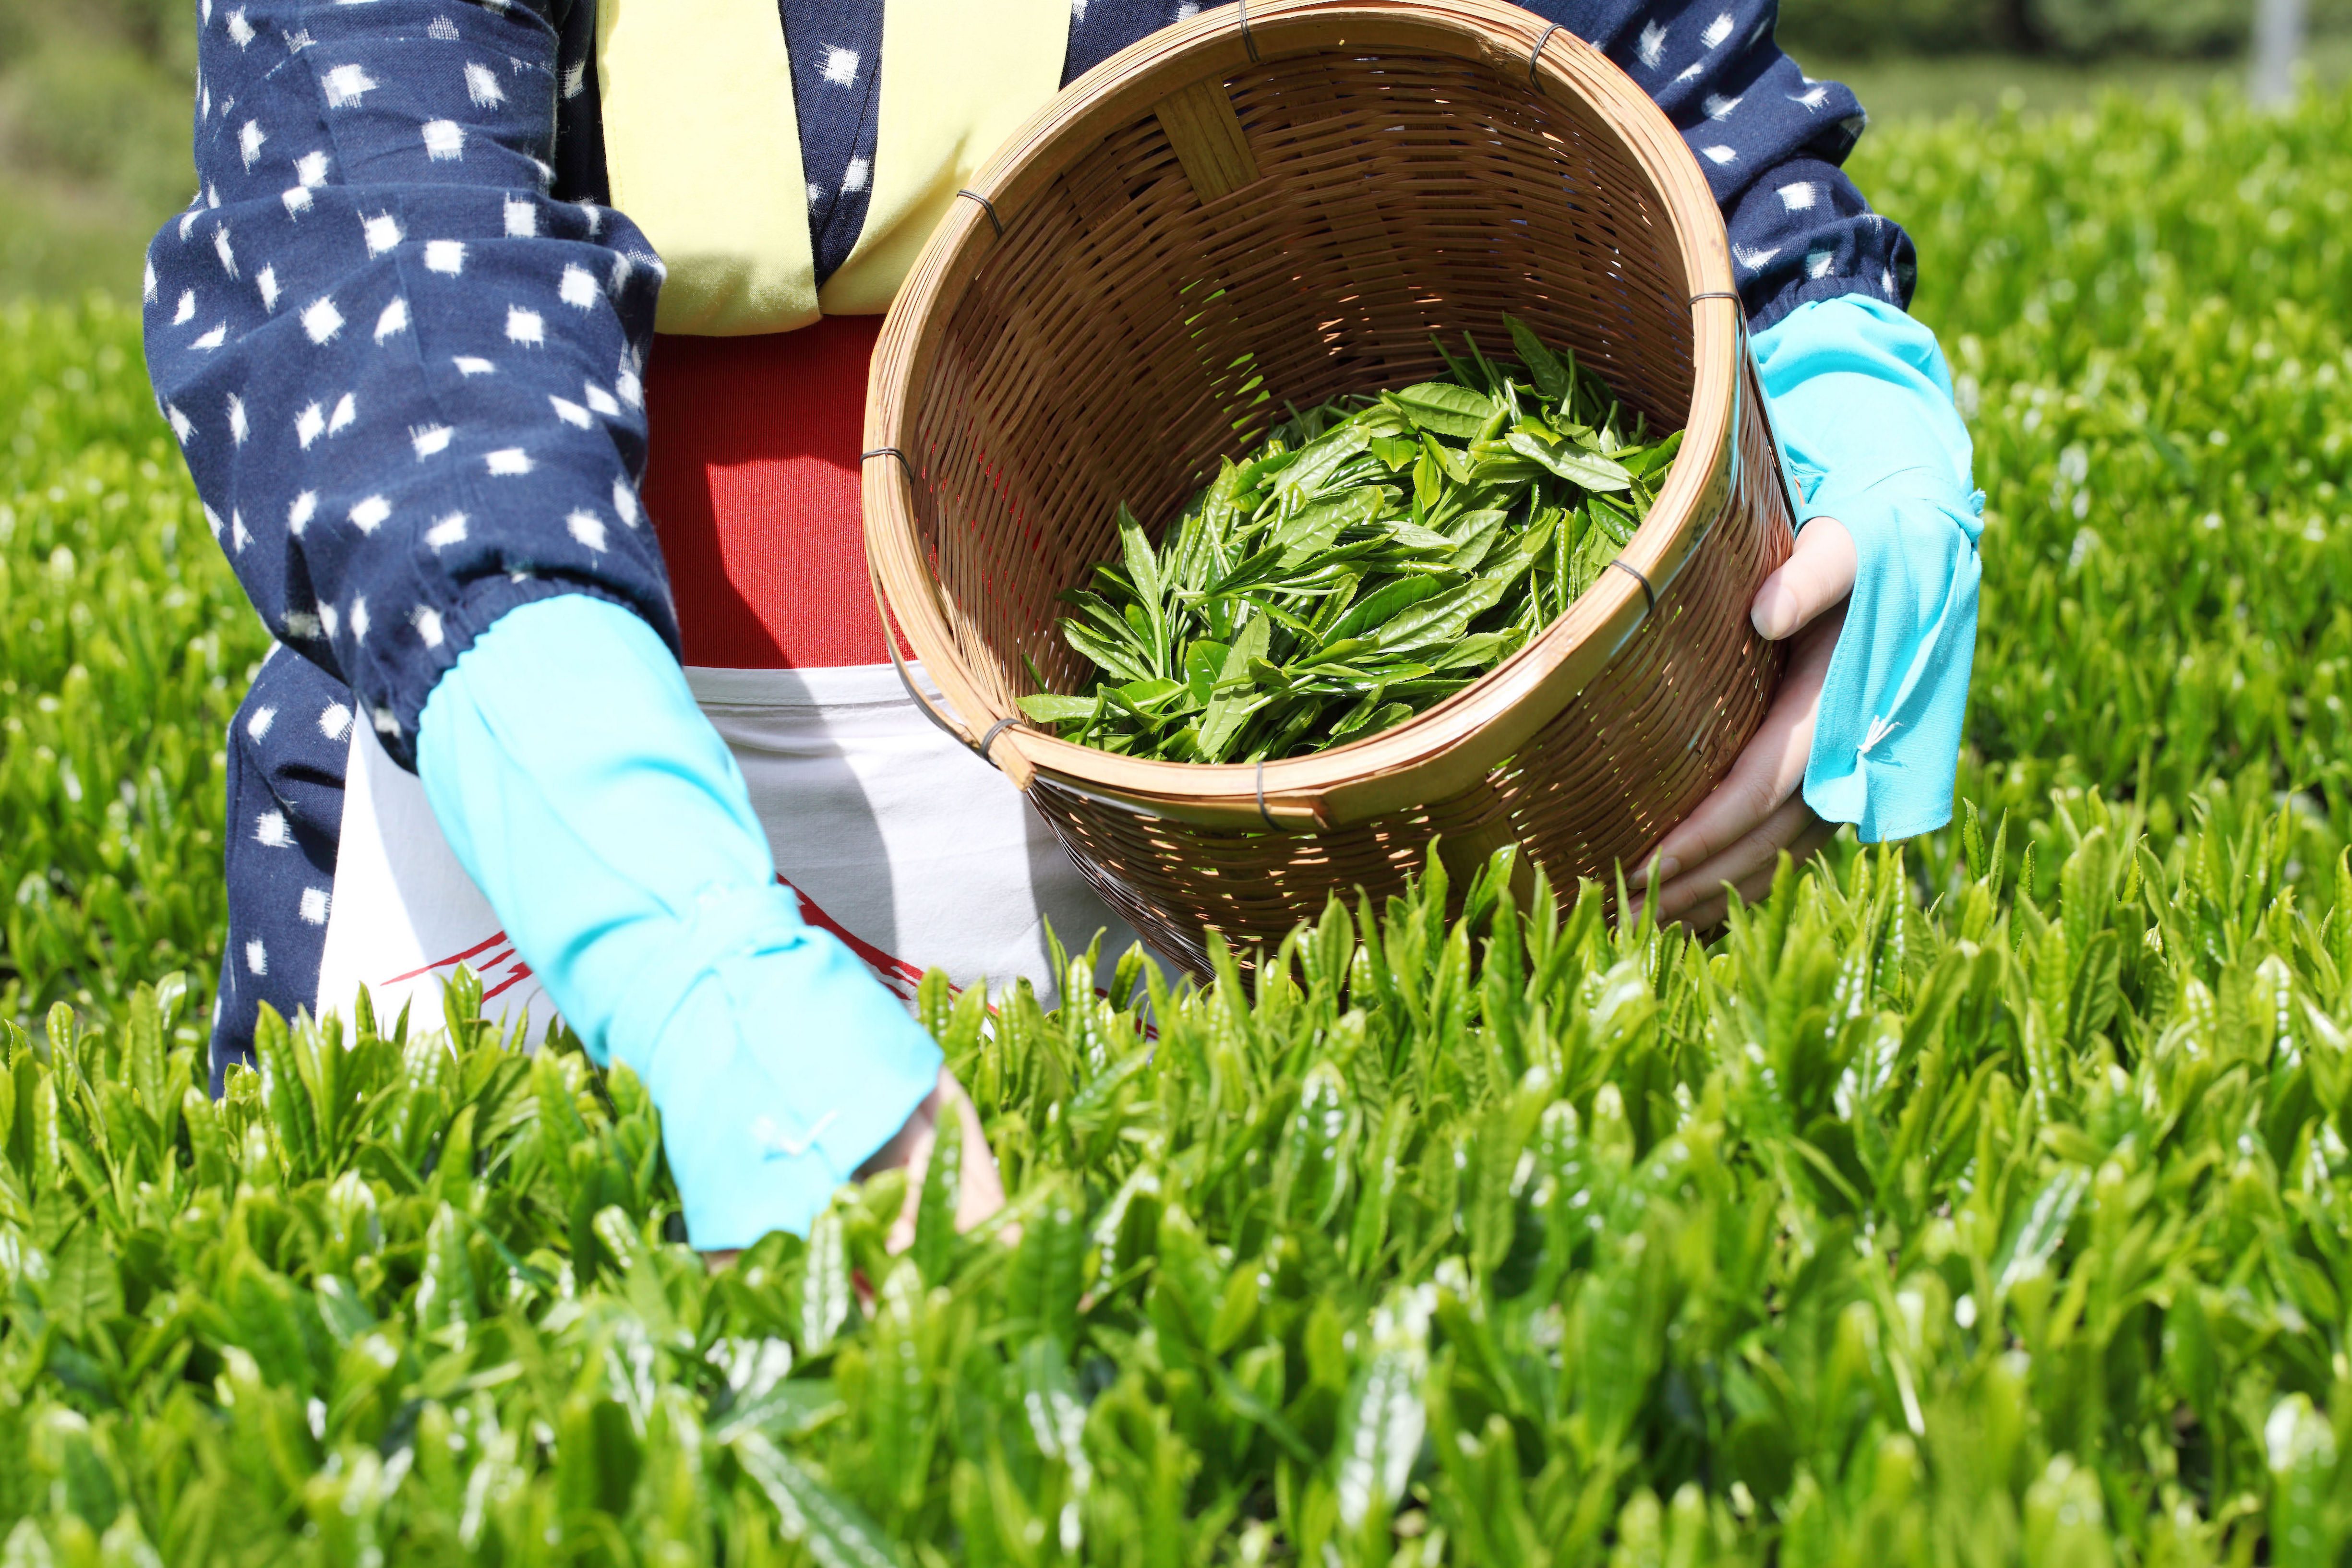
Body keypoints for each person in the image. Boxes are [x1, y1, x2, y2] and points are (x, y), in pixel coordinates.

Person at [144, 0, 1978, 1254]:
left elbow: (1643, 71)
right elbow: (383, 274)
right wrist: (677, 948)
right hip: (558, 773)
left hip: (1202, 763)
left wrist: (1828, 368)